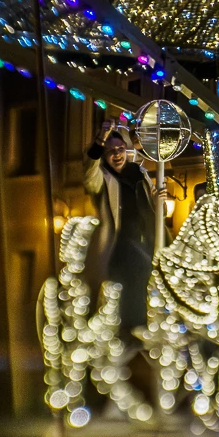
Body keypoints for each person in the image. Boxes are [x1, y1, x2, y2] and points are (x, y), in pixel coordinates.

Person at [83, 126, 157, 333]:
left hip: (146, 240)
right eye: (110, 151)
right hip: (118, 246)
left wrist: (159, 201)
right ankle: (129, 330)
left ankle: (140, 328)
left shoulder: (139, 173)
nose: (116, 154)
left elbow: (153, 205)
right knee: (123, 289)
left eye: (120, 149)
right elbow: (89, 170)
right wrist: (100, 139)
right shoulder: (102, 177)